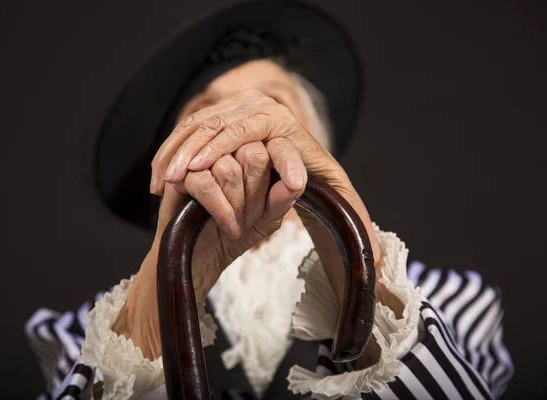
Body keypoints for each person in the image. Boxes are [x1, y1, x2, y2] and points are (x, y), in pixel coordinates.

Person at [25, 1, 513, 399]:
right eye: (206, 113)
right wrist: (173, 274)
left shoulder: (452, 300)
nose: (242, 124)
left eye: (271, 105)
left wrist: (342, 225)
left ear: (314, 142)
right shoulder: (85, 332)